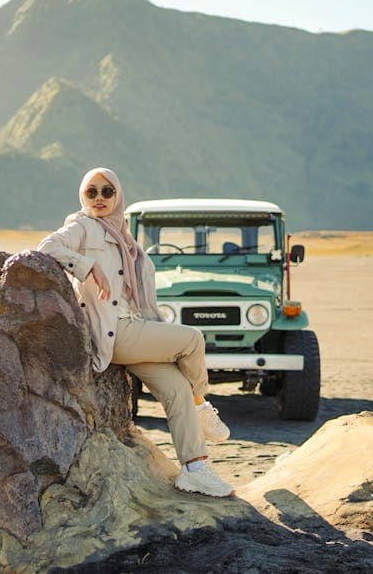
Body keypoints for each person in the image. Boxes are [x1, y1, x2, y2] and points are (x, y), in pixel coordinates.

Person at [37, 167, 235, 498]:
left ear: (118, 196)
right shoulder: (82, 226)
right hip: (114, 331)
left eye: (107, 191)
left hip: (136, 329)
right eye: (91, 192)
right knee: (192, 340)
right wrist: (87, 266)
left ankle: (194, 469)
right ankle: (201, 404)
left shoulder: (125, 238)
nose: (99, 198)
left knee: (177, 389)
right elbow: (46, 247)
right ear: (82, 196)